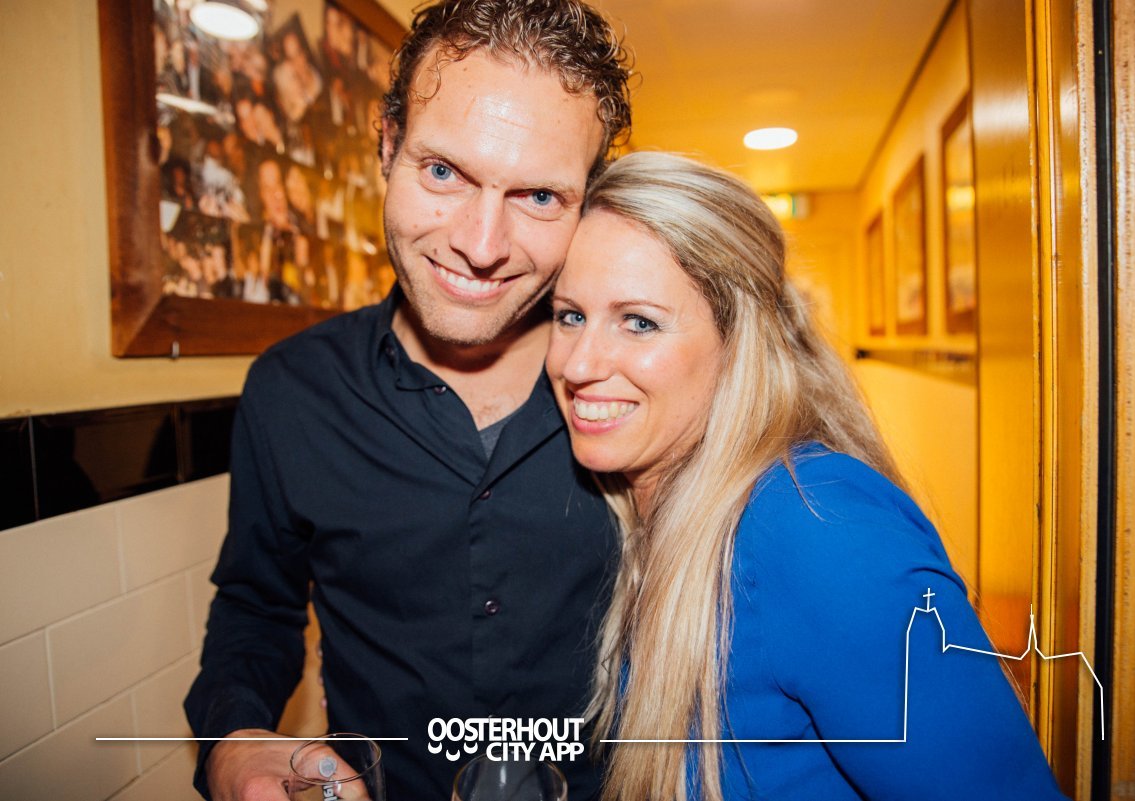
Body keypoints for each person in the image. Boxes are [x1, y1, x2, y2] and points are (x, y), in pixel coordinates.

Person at [184, 2, 632, 799]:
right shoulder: (292, 391)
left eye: (538, 196)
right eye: (444, 172)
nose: (481, 245)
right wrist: (234, 741)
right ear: (388, 146)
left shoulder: (641, 387)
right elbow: (256, 605)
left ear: (588, 203)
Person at [545, 151, 1070, 801]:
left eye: (639, 322)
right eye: (570, 315)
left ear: (740, 342)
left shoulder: (821, 530)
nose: (580, 363)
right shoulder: (646, 505)